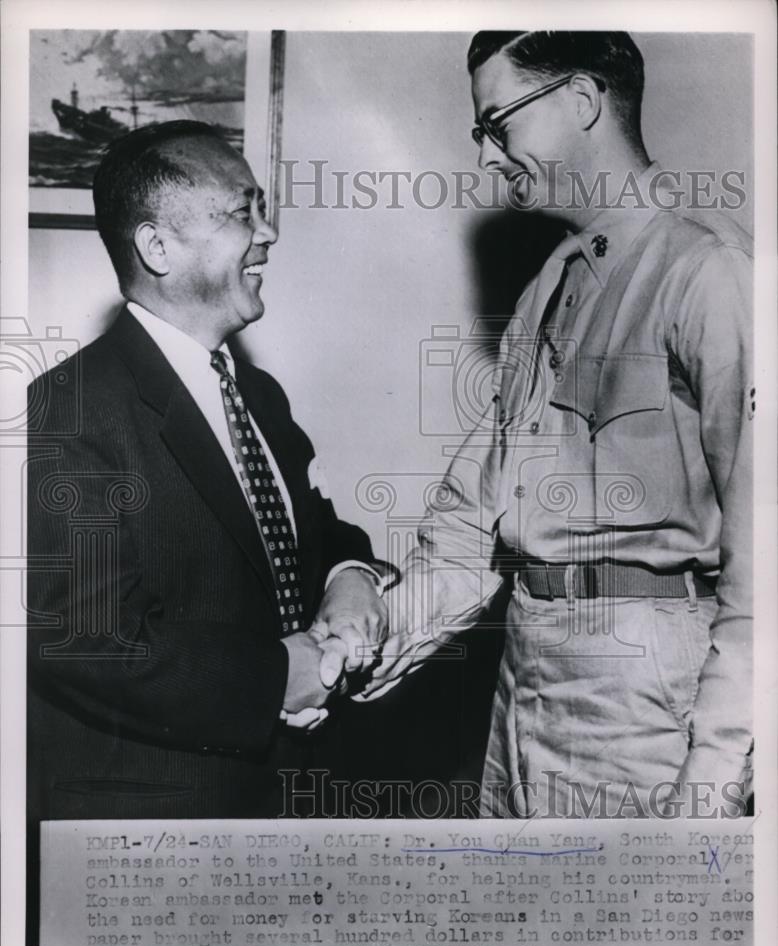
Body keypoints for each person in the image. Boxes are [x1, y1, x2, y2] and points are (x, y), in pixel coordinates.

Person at [325, 31, 753, 819]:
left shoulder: (710, 274)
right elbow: (472, 524)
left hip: (645, 698)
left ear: (583, 101)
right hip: (522, 681)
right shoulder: (545, 288)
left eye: (499, 124)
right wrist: (362, 639)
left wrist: (717, 775)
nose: (489, 157)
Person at [26, 119, 388, 844]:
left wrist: (353, 573)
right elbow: (90, 637)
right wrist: (275, 679)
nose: (270, 233)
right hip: (151, 833)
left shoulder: (261, 395)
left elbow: (308, 530)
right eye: (243, 212)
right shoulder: (69, 409)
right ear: (158, 247)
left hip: (288, 806)